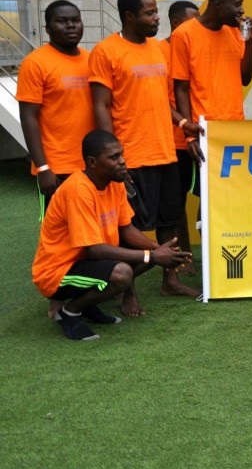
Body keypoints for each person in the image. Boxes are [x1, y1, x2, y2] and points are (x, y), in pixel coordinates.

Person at [89, 0, 197, 312]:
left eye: (155, 12)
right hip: (130, 156)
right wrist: (115, 158)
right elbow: (101, 106)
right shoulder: (105, 51)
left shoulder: (160, 50)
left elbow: (163, 100)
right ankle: (128, 291)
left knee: (169, 219)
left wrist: (181, 123)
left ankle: (171, 280)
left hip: (165, 150)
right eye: (149, 13)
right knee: (128, 226)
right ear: (129, 16)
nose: (156, 18)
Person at [31, 130, 192, 341]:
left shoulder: (114, 183)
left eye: (122, 155)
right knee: (123, 273)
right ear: (92, 162)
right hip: (56, 273)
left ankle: (87, 305)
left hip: (84, 263)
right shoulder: (78, 189)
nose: (122, 161)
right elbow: (95, 249)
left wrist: (158, 249)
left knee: (147, 254)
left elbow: (126, 229)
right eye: (114, 157)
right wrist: (152, 256)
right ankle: (70, 312)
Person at [16, 0, 93, 210]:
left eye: (75, 20)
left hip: (92, 162)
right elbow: (28, 117)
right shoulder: (35, 63)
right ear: (48, 29)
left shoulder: (92, 60)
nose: (71, 26)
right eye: (62, 21)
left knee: (93, 228)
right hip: (57, 165)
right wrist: (42, 167)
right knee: (59, 232)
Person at [171, 0, 252, 125]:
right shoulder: (184, 34)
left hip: (236, 124)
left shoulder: (236, 32)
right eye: (237, 4)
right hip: (203, 127)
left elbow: (245, 79)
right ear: (218, 4)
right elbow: (181, 89)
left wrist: (251, 43)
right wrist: (190, 132)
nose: (242, 10)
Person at [159, 1, 201, 270]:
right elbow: (162, 99)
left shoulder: (196, 46)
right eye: (192, 20)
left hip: (199, 137)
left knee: (209, 196)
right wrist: (184, 124)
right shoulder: (159, 52)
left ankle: (206, 251)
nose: (197, 25)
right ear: (176, 24)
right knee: (176, 203)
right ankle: (183, 256)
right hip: (172, 141)